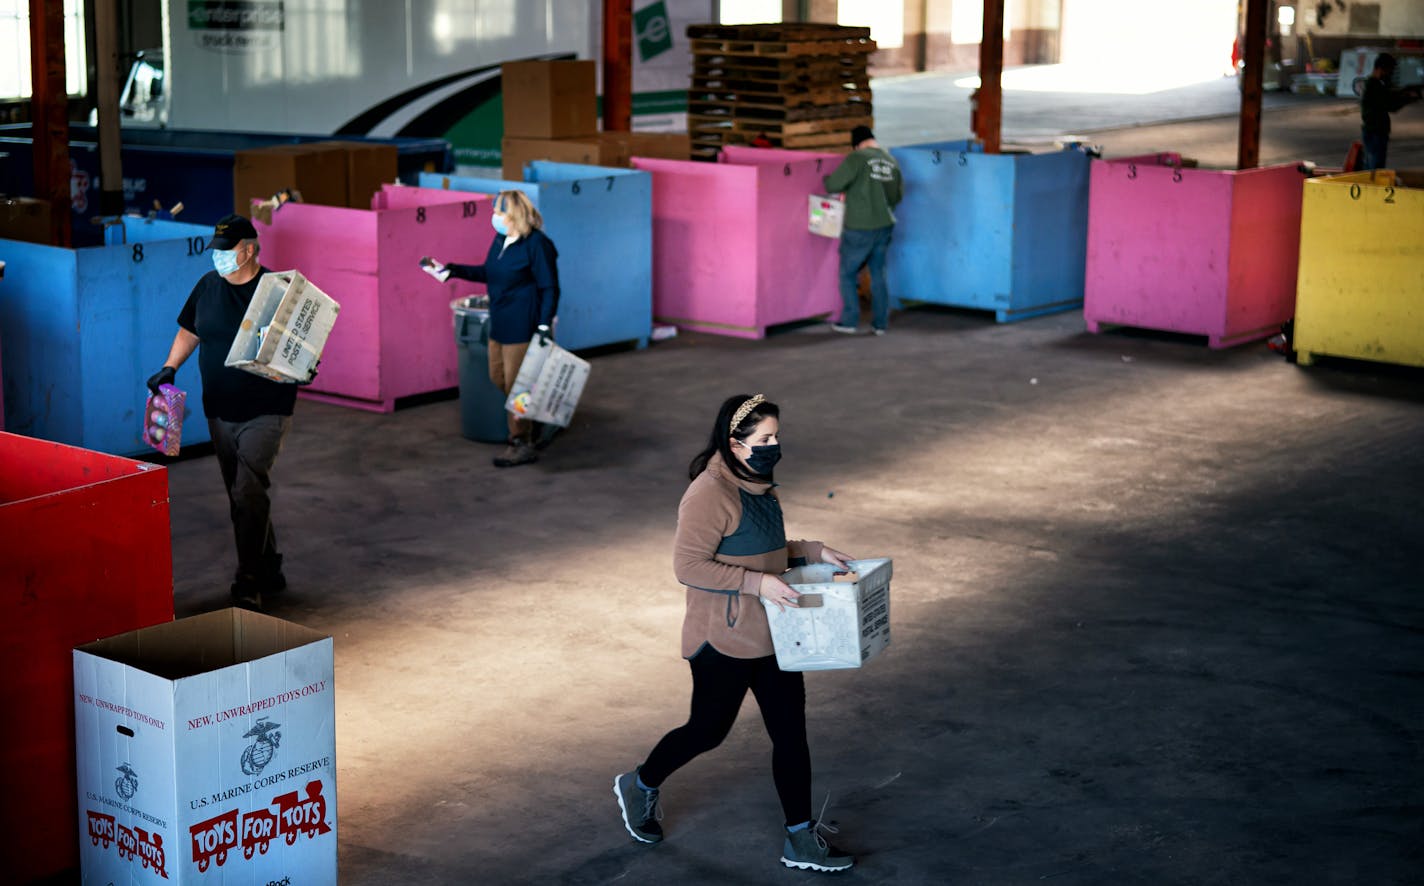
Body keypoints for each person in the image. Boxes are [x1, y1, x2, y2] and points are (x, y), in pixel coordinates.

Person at [614, 393, 857, 873]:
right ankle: (640, 783)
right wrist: (755, 584)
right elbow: (687, 566)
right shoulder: (708, 493)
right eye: (764, 438)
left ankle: (799, 838)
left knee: (791, 734)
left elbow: (763, 550)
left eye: (776, 436)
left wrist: (812, 551)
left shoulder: (760, 484)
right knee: (708, 731)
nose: (773, 445)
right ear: (734, 443)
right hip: (721, 640)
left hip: (773, 633)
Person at [147, 214, 296, 611]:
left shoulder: (278, 291)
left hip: (267, 408)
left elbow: (303, 342)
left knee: (248, 490)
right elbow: (189, 330)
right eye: (217, 251)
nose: (219, 258)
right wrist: (170, 367)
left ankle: (249, 580)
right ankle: (269, 563)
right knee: (241, 495)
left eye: (227, 251)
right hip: (220, 409)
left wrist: (306, 365)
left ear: (249, 250)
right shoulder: (207, 287)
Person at [423, 190, 560, 467]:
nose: (494, 218)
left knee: (517, 387)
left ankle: (520, 442)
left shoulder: (537, 245)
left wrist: (544, 324)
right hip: (499, 322)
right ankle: (536, 420)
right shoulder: (501, 240)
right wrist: (451, 270)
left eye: (499, 213)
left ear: (514, 215)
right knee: (499, 378)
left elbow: (550, 288)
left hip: (524, 326)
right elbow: (490, 272)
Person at [822, 125, 902, 336]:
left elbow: (833, 185)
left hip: (859, 227)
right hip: (884, 226)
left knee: (847, 274)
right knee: (878, 273)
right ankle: (880, 324)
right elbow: (896, 197)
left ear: (856, 144)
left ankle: (849, 321)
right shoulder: (891, 161)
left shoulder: (856, 158)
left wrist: (825, 179)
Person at [1360, 53, 1421, 171]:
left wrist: (1404, 94)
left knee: (1373, 167)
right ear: (1380, 69)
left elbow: (1389, 97)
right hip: (1375, 132)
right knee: (1375, 170)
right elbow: (1390, 104)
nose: (1390, 74)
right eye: (1389, 70)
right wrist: (1408, 98)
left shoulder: (1375, 84)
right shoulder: (1374, 85)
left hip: (1375, 131)